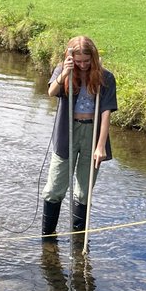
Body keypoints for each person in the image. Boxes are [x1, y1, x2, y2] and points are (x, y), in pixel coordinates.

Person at [42, 36, 117, 240]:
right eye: (78, 61)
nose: (83, 65)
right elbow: (51, 92)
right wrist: (66, 72)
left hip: (92, 133)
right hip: (67, 132)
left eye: (87, 61)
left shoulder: (105, 77)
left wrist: (100, 146)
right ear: (70, 57)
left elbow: (106, 112)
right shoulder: (63, 71)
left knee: (84, 190)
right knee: (55, 187)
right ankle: (47, 239)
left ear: (93, 58)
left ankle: (78, 239)